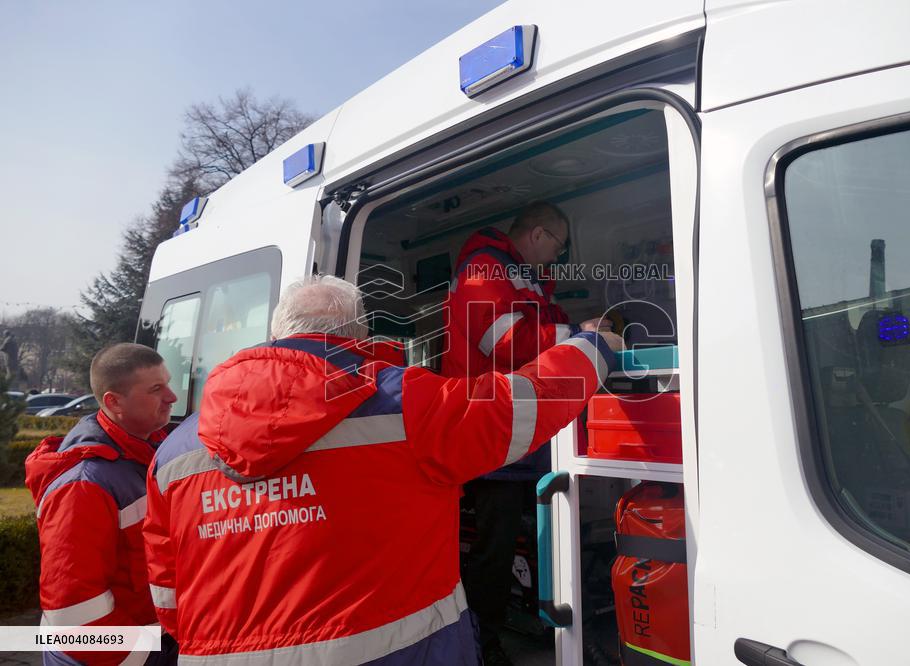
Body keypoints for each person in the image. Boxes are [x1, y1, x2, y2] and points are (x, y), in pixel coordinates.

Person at [143, 276, 622, 664]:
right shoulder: (407, 403)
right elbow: (529, 401)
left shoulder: (173, 452)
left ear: (276, 333)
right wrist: (595, 343)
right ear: (360, 337)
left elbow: (168, 594)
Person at [441, 201, 608, 664]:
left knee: (522, 536)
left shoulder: (523, 278)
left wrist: (579, 332)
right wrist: (582, 335)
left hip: (515, 427)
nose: (556, 258)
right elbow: (505, 340)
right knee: (494, 548)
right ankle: (482, 644)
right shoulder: (483, 268)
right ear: (537, 235)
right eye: (557, 247)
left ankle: (529, 622)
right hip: (488, 426)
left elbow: (542, 329)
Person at [25, 343, 179, 666]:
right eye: (156, 389)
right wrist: (149, 657)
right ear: (114, 402)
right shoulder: (83, 486)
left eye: (167, 382)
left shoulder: (148, 451)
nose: (172, 397)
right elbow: (75, 617)